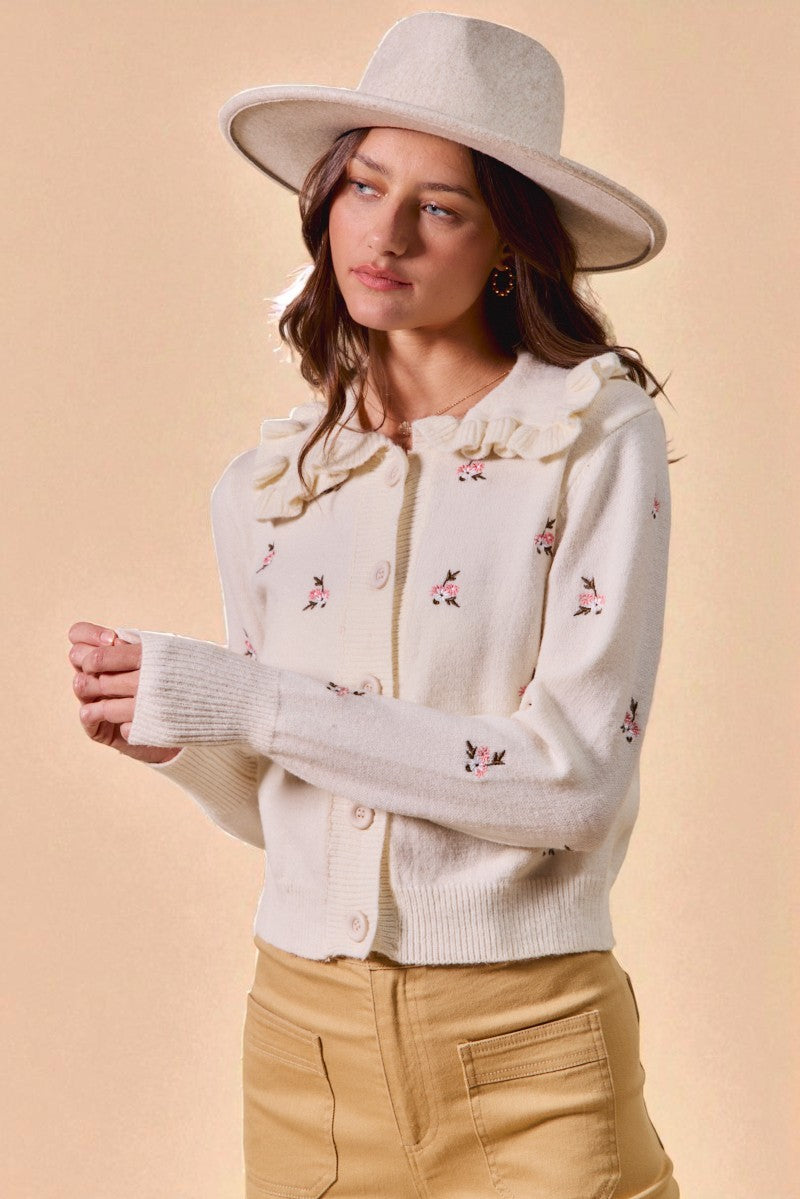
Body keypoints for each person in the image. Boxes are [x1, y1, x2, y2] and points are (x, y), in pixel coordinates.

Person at [68, 12, 681, 1198]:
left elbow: (567, 782)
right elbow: (287, 799)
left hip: (529, 1045)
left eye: (439, 206)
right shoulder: (272, 481)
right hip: (301, 1047)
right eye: (361, 184)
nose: (384, 233)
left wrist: (243, 699)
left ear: (511, 242)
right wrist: (186, 744)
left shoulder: (589, 433)